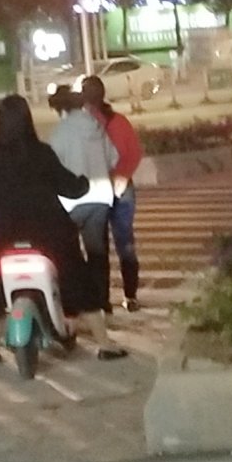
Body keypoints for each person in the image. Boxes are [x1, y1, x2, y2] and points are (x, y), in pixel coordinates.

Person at [0, 95, 119, 360]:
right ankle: (104, 344)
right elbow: (69, 186)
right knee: (76, 276)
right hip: (49, 233)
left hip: (6, 233)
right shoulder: (41, 153)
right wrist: (83, 183)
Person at [47, 85, 121, 353]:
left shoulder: (62, 132)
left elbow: (53, 168)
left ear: (61, 109)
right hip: (101, 197)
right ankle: (102, 306)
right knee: (97, 254)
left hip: (73, 202)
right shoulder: (97, 127)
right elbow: (114, 158)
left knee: (69, 258)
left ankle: (74, 311)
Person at [90, 77, 146, 310]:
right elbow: (135, 152)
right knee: (125, 243)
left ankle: (102, 301)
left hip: (96, 190)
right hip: (122, 188)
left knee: (98, 247)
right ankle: (130, 296)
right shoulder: (119, 121)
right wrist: (123, 175)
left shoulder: (87, 124)